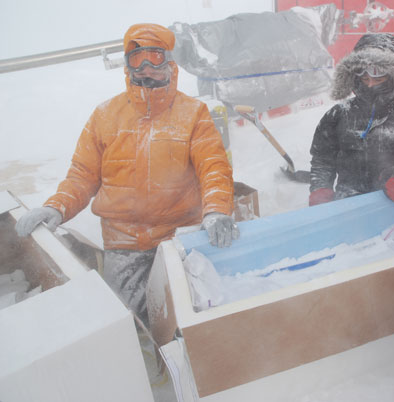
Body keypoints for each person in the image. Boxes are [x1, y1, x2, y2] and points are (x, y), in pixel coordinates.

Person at [15, 23, 238, 325]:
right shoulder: (105, 115)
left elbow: (214, 166)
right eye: (137, 58)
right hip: (124, 243)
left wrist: (215, 210)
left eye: (154, 57)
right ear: (127, 65)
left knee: (190, 315)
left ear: (170, 64)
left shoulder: (192, 114)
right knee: (131, 326)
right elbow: (82, 174)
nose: (146, 68)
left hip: (178, 237)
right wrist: (57, 206)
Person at [309, 33, 394, 206]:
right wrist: (320, 188)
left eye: (378, 78)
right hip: (347, 206)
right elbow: (322, 159)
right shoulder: (337, 115)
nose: (370, 85)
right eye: (365, 78)